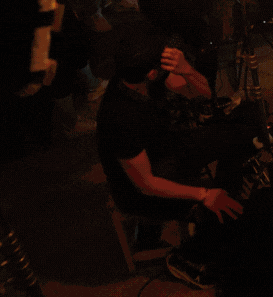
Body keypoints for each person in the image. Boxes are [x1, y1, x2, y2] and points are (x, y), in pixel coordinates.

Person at [96, 25, 263, 289]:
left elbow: (204, 93)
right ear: (152, 73)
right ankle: (187, 259)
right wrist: (204, 195)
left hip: (166, 150)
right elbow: (146, 184)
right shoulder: (119, 118)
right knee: (223, 211)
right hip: (138, 189)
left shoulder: (142, 77)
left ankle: (223, 196)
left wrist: (187, 70)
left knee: (243, 129)